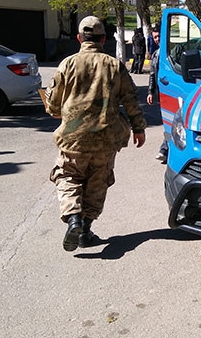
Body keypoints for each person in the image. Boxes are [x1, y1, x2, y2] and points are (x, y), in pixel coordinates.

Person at [45, 16, 147, 252]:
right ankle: (85, 230)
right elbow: (131, 99)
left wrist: (54, 109)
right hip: (106, 139)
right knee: (97, 184)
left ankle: (74, 221)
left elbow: (53, 103)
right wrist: (139, 128)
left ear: (80, 38)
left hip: (73, 139)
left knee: (67, 177)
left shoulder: (67, 64)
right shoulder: (114, 65)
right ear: (103, 39)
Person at [146, 27, 169, 163]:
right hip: (162, 93)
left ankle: (164, 150)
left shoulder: (173, 52)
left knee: (170, 122)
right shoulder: (155, 54)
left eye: (159, 36)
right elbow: (152, 74)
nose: (158, 39)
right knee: (167, 122)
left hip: (172, 91)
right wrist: (150, 92)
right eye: (155, 37)